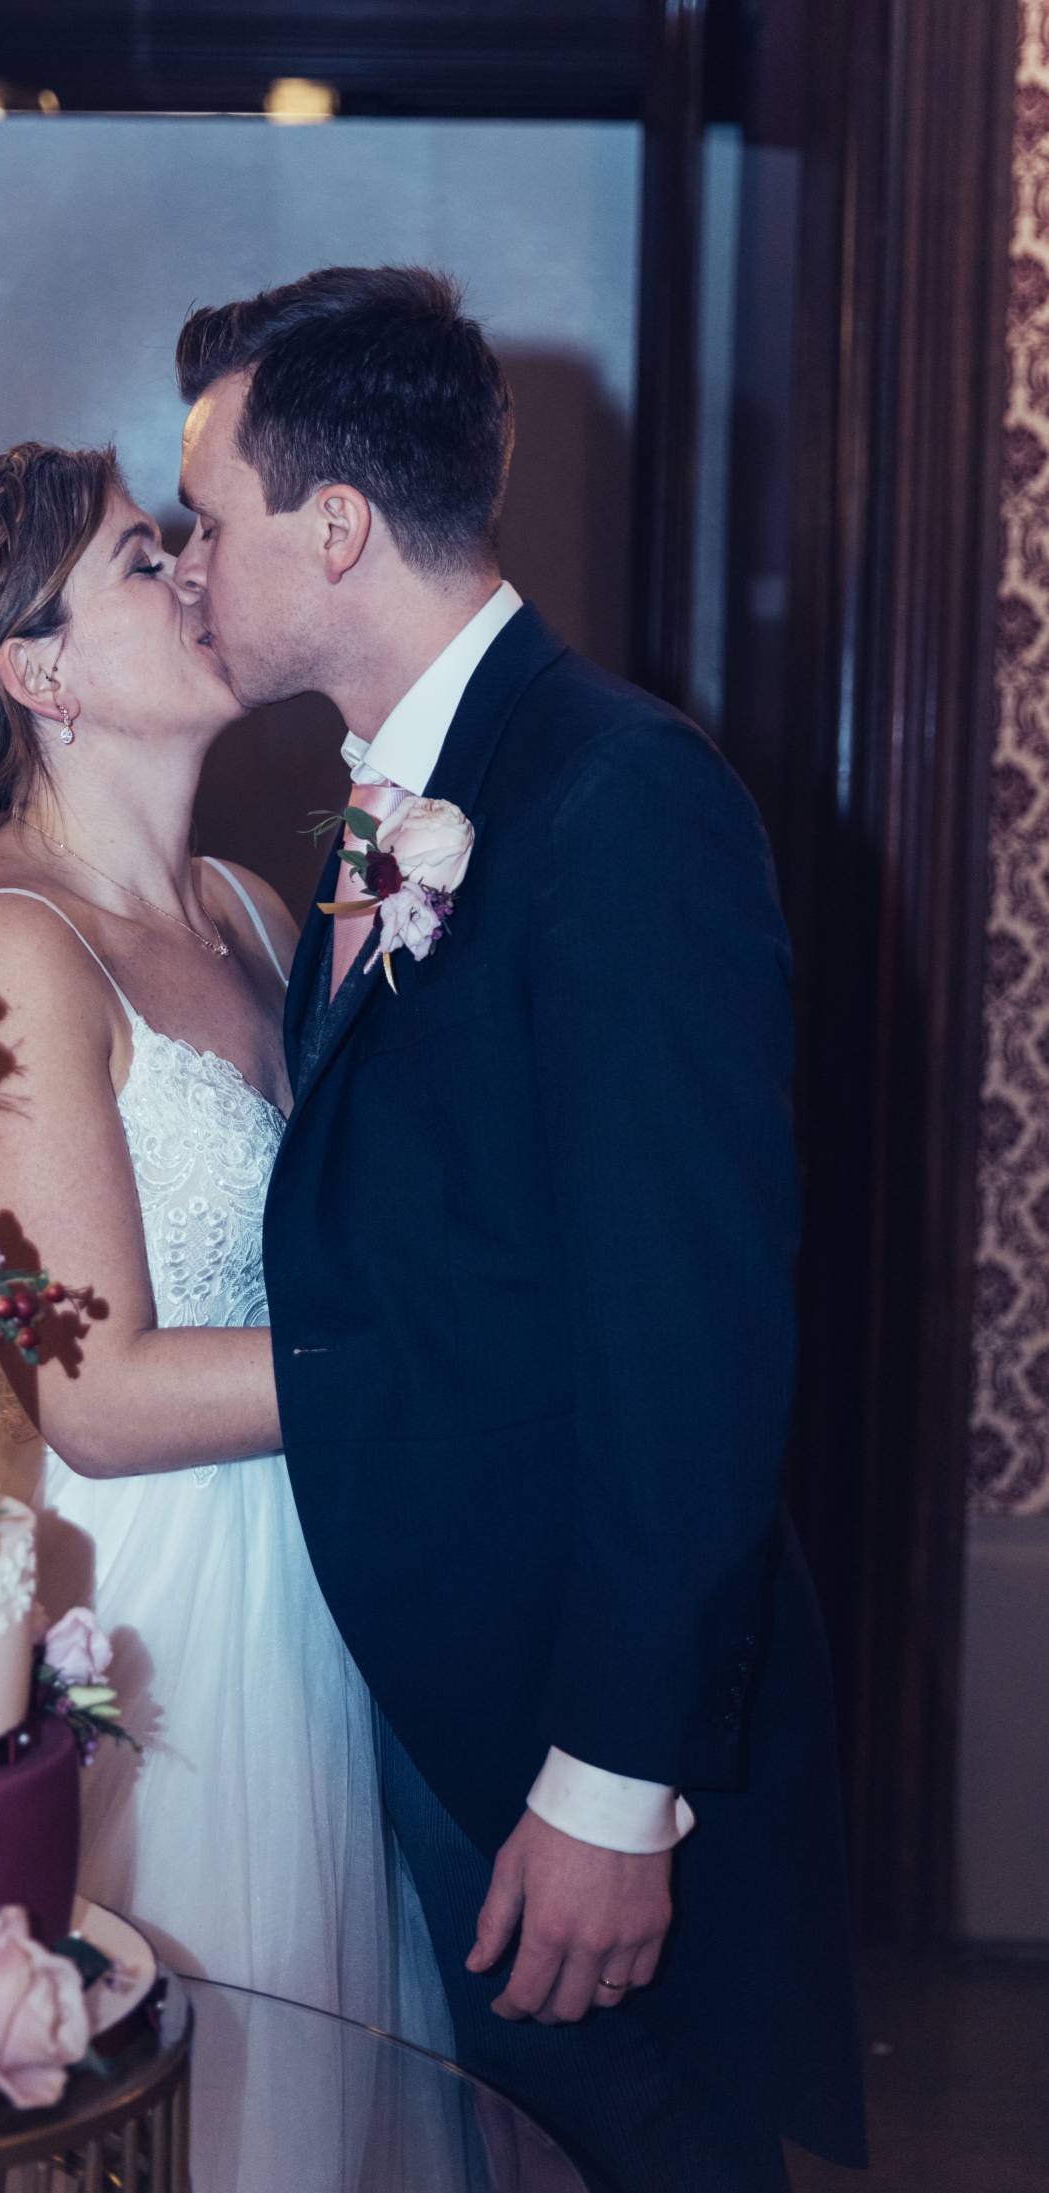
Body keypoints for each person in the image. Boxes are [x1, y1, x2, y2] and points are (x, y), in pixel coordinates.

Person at [168, 264, 867, 2193]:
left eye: (204, 520)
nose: (185, 563)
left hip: (562, 1723)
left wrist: (610, 1779)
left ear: (334, 525)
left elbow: (690, 1334)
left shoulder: (615, 795)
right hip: (418, 1687)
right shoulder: (394, 801)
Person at [0, 441, 448, 2068]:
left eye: (176, 536)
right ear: (39, 673)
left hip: (320, 1558)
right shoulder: (4, 945)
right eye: (135, 556)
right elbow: (95, 1396)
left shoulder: (252, 910)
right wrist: (433, 1359)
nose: (190, 568)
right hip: (168, 1607)